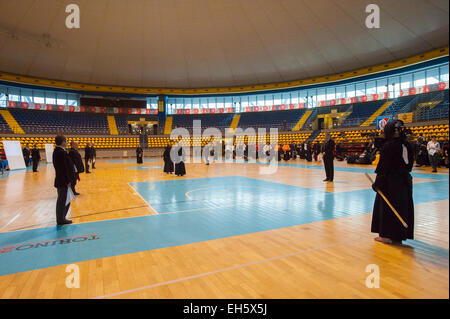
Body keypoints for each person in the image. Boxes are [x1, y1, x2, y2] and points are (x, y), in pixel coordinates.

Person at [371, 120, 414, 244]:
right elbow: (409, 166)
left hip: (389, 182)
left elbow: (383, 167)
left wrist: (377, 184)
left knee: (387, 208)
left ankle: (386, 235)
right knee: (401, 207)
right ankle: (398, 236)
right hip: (403, 181)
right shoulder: (406, 145)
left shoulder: (389, 146)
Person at [53, 135, 75, 226]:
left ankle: (62, 217)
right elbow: (63, 168)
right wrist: (68, 180)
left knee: (64, 200)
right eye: (65, 141)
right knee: (62, 200)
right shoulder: (60, 152)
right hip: (63, 181)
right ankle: (60, 219)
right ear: (62, 142)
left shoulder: (60, 151)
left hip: (62, 180)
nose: (66, 143)